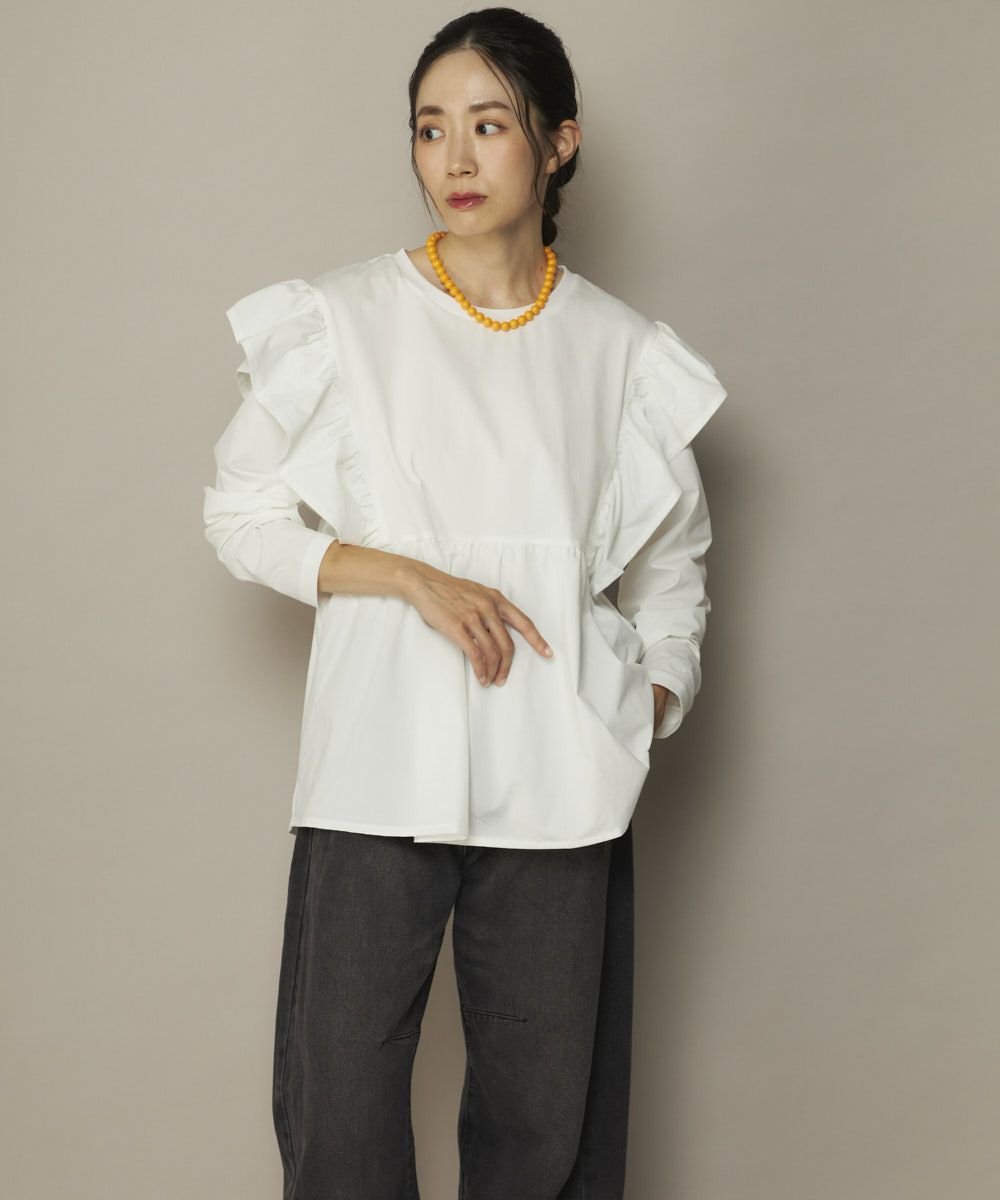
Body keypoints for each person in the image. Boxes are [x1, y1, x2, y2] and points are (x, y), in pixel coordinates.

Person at [202, 9, 727, 1199]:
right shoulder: (342, 320)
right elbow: (239, 514)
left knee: (546, 1128)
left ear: (558, 143)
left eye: (488, 126)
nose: (454, 157)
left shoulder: (620, 349)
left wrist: (648, 696)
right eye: (429, 127)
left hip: (561, 772)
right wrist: (406, 575)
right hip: (375, 760)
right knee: (338, 1112)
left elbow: (673, 564)